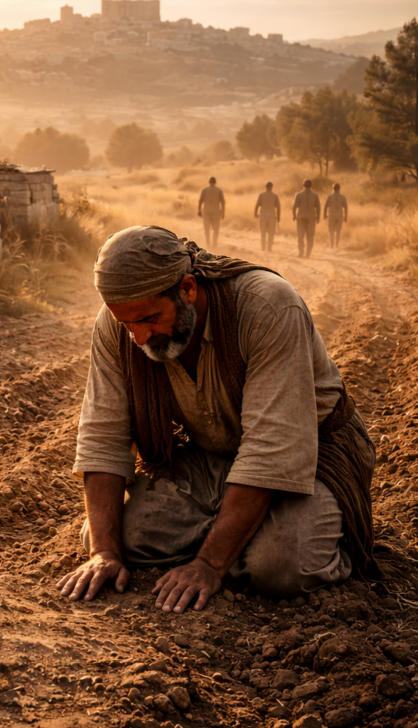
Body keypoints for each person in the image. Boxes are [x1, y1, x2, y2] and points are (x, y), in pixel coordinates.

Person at [57, 226, 376, 614]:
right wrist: (104, 553)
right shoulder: (119, 326)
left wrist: (209, 564)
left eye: (150, 319)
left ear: (188, 289)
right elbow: (103, 435)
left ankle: (305, 530)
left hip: (310, 454)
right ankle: (243, 527)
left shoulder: (267, 306)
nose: (139, 337)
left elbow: (271, 449)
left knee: (279, 566)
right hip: (213, 455)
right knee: (110, 534)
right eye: (127, 325)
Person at [292, 179, 320, 258]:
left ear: (303, 185)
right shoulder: (315, 195)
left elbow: (294, 206)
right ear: (311, 185)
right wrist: (318, 217)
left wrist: (294, 215)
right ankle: (308, 253)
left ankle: (301, 252)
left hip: (301, 217)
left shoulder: (298, 194)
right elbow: (318, 207)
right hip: (311, 218)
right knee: (310, 236)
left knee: (300, 236)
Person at [197, 177, 225, 247]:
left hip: (206, 211)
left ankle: (208, 243)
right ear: (215, 182)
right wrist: (223, 213)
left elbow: (200, 202)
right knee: (216, 229)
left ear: (209, 182)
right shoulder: (219, 190)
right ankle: (214, 244)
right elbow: (223, 203)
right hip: (216, 212)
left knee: (206, 229)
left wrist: (199, 211)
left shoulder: (204, 190)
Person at [253, 181, 281, 252]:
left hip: (262, 215)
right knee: (271, 233)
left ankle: (263, 247)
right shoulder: (275, 196)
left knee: (263, 232)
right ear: (272, 187)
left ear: (265, 187)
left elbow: (257, 205)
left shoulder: (261, 195)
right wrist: (278, 217)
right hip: (272, 216)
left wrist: (255, 214)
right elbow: (278, 207)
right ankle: (269, 248)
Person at [324, 183, 348, 249]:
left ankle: (331, 246)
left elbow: (325, 206)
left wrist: (324, 215)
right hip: (339, 215)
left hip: (331, 215)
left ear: (332, 188)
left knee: (331, 231)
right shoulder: (343, 197)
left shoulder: (329, 196)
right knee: (338, 231)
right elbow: (346, 207)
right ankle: (336, 245)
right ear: (339, 188)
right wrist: (345, 217)